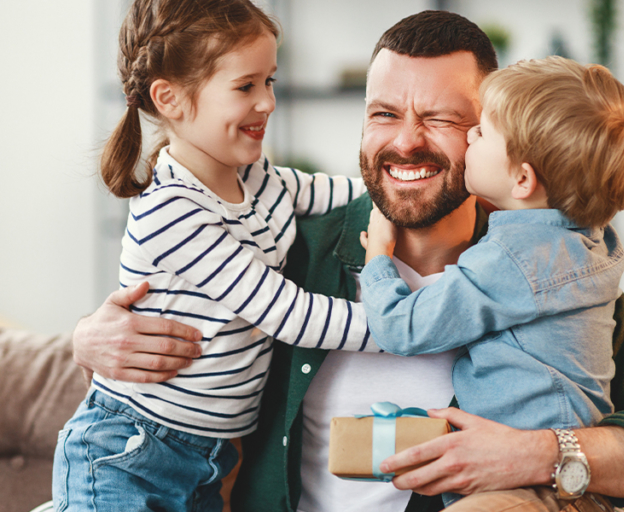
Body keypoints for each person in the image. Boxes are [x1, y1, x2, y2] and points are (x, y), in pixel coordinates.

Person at [71, 10, 624, 512]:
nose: (406, 141)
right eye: (384, 112)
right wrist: (86, 338)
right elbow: (159, 362)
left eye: (444, 119)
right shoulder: (292, 249)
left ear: (496, 138)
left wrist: (539, 454)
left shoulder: (547, 273)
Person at [53, 1, 380, 510]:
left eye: (269, 80)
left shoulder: (256, 177)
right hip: (132, 453)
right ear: (172, 99)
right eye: (246, 86)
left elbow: (345, 192)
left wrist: (409, 185)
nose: (268, 102)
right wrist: (402, 324)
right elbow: (286, 312)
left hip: (208, 457)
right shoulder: (172, 211)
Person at [358, 55, 624, 509]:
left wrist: (378, 257)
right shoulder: (589, 245)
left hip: (527, 489)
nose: (471, 136)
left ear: (521, 178)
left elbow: (403, 327)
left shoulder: (514, 260)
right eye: (384, 113)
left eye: (480, 130)